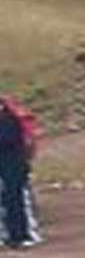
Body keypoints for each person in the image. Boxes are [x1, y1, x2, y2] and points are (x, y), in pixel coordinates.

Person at [0, 94, 38, 249]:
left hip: (13, 164)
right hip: (8, 163)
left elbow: (11, 140)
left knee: (16, 198)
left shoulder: (9, 118)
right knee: (6, 199)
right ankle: (10, 235)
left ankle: (23, 235)